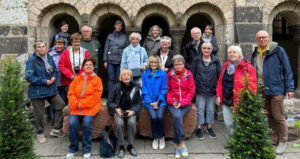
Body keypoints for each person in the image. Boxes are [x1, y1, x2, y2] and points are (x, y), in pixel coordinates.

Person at [251, 30, 295, 155]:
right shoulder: (255, 52)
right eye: (259, 38)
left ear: (268, 38)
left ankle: (283, 141)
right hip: (262, 89)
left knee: (278, 117)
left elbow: (287, 69)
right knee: (268, 115)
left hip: (276, 89)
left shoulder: (278, 50)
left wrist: (290, 88)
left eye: (263, 37)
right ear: (256, 40)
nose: (261, 40)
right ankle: (273, 138)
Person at [25, 40, 65, 143]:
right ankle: (40, 133)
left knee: (61, 105)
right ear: (36, 49)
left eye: (43, 46)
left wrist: (53, 78)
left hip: (50, 88)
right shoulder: (32, 61)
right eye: (39, 47)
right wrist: (44, 81)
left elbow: (55, 70)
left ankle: (56, 129)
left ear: (46, 48)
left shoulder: (49, 57)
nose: (41, 48)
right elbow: (29, 77)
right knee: (39, 113)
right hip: (37, 91)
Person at [65, 57, 103, 159]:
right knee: (72, 124)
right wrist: (75, 103)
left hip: (90, 107)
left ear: (93, 67)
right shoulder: (77, 78)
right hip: (75, 107)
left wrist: (82, 104)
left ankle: (87, 149)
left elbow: (96, 96)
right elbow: (71, 93)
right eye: (86, 65)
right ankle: (73, 148)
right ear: (83, 67)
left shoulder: (97, 80)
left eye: (90, 65)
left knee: (86, 124)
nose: (88, 66)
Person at [216, 45, 257, 135]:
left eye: (234, 52)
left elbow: (252, 86)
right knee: (228, 123)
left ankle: (237, 144)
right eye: (230, 52)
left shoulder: (247, 67)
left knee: (239, 124)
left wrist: (248, 99)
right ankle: (233, 140)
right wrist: (219, 96)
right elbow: (220, 82)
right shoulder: (226, 65)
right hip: (227, 99)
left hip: (240, 101)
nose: (232, 54)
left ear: (239, 54)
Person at [107, 69, 141, 158]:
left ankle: (130, 145)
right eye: (124, 75)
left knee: (131, 123)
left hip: (131, 110)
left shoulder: (136, 87)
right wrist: (116, 109)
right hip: (119, 110)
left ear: (131, 77)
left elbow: (139, 103)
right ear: (121, 77)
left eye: (128, 75)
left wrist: (133, 111)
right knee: (119, 123)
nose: (126, 76)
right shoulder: (116, 87)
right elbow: (109, 101)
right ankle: (121, 146)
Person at [191, 42, 221, 139]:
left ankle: (209, 127)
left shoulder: (216, 60)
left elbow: (219, 75)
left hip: (212, 89)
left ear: (211, 50)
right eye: (204, 48)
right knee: (200, 109)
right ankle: (199, 128)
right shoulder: (196, 60)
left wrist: (218, 89)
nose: (206, 50)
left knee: (210, 109)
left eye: (208, 48)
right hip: (200, 88)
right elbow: (192, 74)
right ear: (201, 49)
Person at [166, 55, 195, 158]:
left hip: (185, 104)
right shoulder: (170, 75)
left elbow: (191, 91)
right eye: (176, 64)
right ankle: (182, 144)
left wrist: (182, 103)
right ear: (173, 65)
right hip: (173, 103)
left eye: (180, 64)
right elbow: (167, 90)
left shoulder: (188, 74)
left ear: (183, 64)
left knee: (176, 118)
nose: (178, 66)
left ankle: (178, 145)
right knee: (177, 117)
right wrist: (172, 102)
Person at [142, 56, 168, 150]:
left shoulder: (163, 74)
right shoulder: (145, 74)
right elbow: (144, 89)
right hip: (149, 102)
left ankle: (161, 137)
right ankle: (155, 137)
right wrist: (150, 102)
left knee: (160, 117)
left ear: (158, 64)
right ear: (149, 63)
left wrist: (158, 101)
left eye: (155, 63)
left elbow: (164, 88)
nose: (153, 64)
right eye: (152, 63)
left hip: (161, 101)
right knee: (153, 117)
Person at [104, 20, 129, 96]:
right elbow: (106, 48)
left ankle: (118, 96)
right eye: (117, 25)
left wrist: (126, 62)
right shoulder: (110, 36)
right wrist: (105, 60)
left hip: (120, 62)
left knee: (119, 79)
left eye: (120, 26)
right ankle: (111, 96)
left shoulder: (125, 37)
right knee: (111, 79)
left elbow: (127, 49)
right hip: (110, 61)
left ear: (122, 27)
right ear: (115, 26)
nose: (118, 27)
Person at [49, 38, 67, 126]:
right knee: (54, 103)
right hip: (54, 82)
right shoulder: (50, 54)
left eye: (61, 44)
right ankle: (54, 122)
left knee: (63, 101)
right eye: (58, 44)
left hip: (63, 82)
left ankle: (62, 121)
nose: (59, 46)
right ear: (55, 44)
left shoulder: (66, 53)